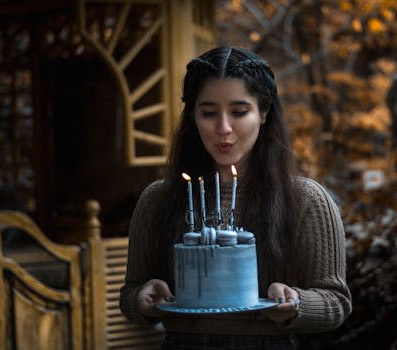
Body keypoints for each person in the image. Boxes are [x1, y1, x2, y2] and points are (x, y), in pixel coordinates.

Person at [120, 47, 351, 349]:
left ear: (264, 112)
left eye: (239, 112)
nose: (223, 128)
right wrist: (142, 298)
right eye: (208, 113)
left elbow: (336, 302)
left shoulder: (305, 200)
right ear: (192, 115)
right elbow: (129, 294)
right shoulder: (158, 199)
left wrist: (296, 302)